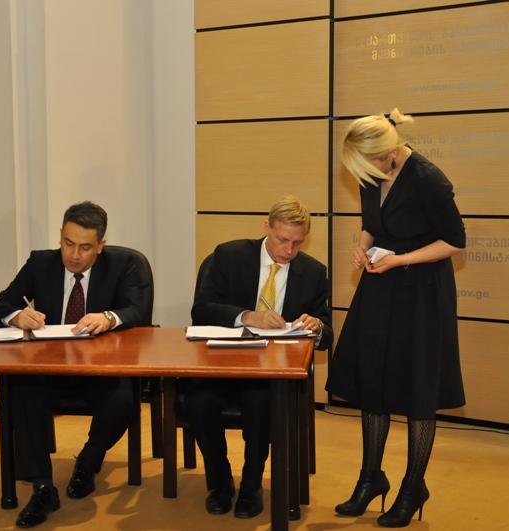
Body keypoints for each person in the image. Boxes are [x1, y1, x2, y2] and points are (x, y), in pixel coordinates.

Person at [325, 109, 466, 527]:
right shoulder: (371, 168)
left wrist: (401, 259)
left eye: (370, 163)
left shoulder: (427, 178)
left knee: (418, 388)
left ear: (389, 152)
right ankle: (371, 478)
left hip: (422, 291)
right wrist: (362, 245)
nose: (365, 173)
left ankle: (412, 486)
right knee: (374, 379)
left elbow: (455, 242)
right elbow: (372, 222)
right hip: (380, 285)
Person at [0, 201, 147, 529]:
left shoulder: (122, 265)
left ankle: (88, 462)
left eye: (85, 247)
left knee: (122, 402)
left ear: (101, 245)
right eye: (68, 243)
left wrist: (108, 317)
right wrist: (16, 316)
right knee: (20, 387)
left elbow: (137, 310)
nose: (74, 255)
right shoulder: (40, 263)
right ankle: (43, 487)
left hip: (100, 369)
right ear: (60, 235)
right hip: (50, 368)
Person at [186, 196, 333, 519]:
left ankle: (251, 486)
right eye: (282, 240)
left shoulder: (313, 273)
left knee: (261, 402)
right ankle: (220, 483)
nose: (288, 251)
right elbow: (202, 310)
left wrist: (317, 326)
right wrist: (247, 316)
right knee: (198, 401)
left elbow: (326, 335)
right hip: (221, 365)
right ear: (267, 227)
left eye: (297, 243)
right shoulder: (229, 256)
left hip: (272, 373)